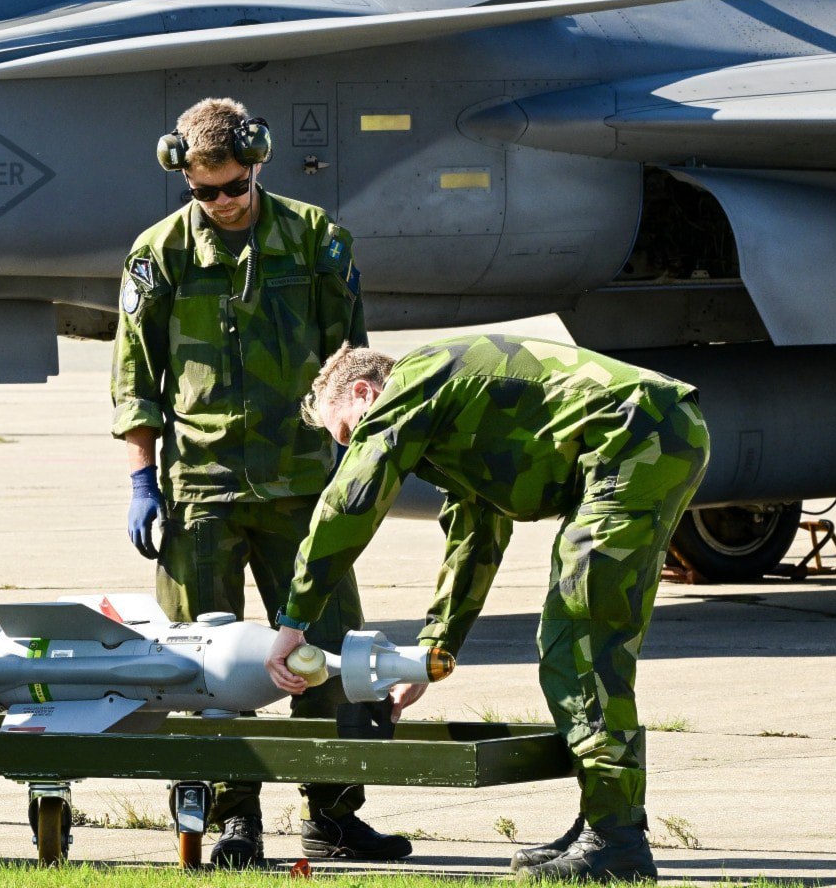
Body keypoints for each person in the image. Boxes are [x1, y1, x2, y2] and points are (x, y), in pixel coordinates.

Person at [266, 338, 711, 883]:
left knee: (581, 644)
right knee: (586, 644)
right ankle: (605, 821)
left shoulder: (409, 388)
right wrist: (433, 651)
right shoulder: (448, 414)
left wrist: (295, 621)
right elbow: (475, 538)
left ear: (365, 393)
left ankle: (616, 842)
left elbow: (349, 504)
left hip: (634, 438)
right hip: (650, 433)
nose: (354, 446)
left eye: (347, 432)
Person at [111, 97, 410, 868]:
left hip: (303, 487)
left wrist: (353, 465)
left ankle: (333, 814)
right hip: (200, 491)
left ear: (257, 162)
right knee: (201, 665)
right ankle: (230, 820)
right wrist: (143, 480)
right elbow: (136, 379)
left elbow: (352, 362)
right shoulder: (159, 254)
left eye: (233, 186)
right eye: (204, 190)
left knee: (329, 654)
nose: (221, 202)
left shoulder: (315, 241)